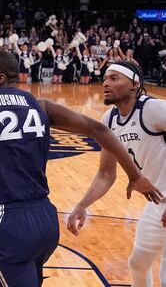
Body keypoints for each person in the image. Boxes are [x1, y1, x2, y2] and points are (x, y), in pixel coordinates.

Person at [0, 50, 162, 287]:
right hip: (45, 220)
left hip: (8, 221)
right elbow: (100, 130)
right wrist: (135, 176)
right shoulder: (40, 105)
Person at [66, 61, 166, 287]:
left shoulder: (153, 109)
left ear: (134, 85)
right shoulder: (109, 119)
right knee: (138, 264)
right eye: (105, 78)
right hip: (157, 203)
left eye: (114, 78)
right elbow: (106, 173)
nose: (106, 83)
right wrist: (83, 205)